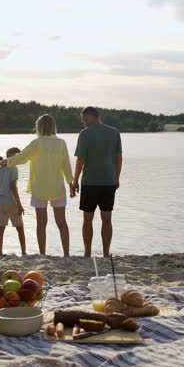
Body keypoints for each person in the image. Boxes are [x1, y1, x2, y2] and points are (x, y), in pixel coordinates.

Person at [0, 114, 74, 257]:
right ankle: (67, 254)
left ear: (39, 128)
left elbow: (22, 157)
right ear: (53, 127)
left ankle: (43, 254)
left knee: (41, 223)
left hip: (39, 188)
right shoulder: (61, 143)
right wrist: (71, 183)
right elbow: (66, 165)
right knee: (62, 223)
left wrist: (6, 161)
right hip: (57, 188)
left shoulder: (37, 143)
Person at [72, 106, 122, 258]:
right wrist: (116, 177)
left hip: (90, 183)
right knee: (107, 219)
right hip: (109, 181)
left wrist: (75, 181)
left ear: (91, 116)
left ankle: (87, 254)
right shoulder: (114, 132)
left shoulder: (85, 134)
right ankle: (106, 254)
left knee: (88, 220)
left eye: (84, 119)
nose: (84, 123)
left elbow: (80, 160)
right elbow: (118, 157)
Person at [0, 147, 26, 257]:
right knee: (20, 229)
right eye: (18, 157)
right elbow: (13, 188)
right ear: (14, 156)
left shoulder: (0, 168)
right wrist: (20, 205)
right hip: (12, 203)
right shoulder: (14, 168)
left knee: (1, 228)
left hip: (1, 202)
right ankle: (24, 252)